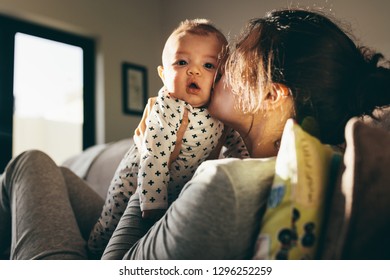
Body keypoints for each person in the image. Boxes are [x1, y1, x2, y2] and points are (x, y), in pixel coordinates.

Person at [0, 8, 389, 260]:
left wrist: (154, 154)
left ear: (271, 95)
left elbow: (115, 266)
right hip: (124, 223)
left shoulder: (225, 187)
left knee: (29, 163)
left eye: (233, 61)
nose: (217, 71)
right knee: (63, 178)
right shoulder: (244, 158)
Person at [87, 19, 248, 258]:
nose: (194, 71)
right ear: (163, 74)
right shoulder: (168, 106)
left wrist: (243, 164)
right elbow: (155, 153)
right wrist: (152, 203)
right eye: (182, 62)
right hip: (137, 184)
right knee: (109, 223)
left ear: (222, 75)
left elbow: (235, 143)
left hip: (174, 190)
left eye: (208, 65)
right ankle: (90, 252)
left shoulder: (218, 112)